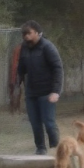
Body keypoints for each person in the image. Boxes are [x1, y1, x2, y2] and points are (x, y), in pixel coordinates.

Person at [17, 20, 63, 155]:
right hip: (31, 93)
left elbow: (58, 69)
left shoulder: (47, 47)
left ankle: (56, 149)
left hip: (47, 92)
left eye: (29, 33)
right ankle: (41, 149)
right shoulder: (24, 48)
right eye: (24, 34)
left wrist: (56, 91)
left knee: (48, 123)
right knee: (35, 123)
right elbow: (21, 68)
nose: (26, 36)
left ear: (37, 33)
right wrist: (17, 85)